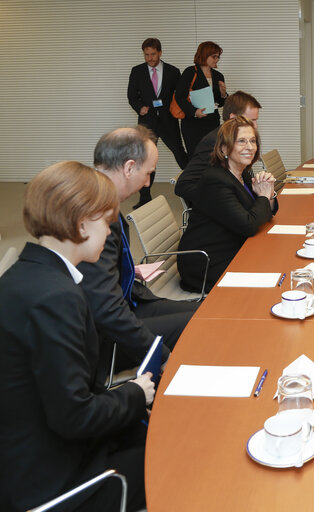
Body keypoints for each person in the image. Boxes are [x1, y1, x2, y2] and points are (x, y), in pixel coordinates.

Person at [0, 161, 154, 511]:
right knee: (178, 456)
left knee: (158, 430)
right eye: (107, 222)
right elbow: (75, 417)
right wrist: (133, 393)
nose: (110, 232)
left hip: (36, 442)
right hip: (52, 479)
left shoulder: (31, 274)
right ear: (82, 224)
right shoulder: (57, 297)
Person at [78, 126, 199, 372]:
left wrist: (126, 268)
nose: (147, 182)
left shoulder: (95, 195)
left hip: (129, 300)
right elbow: (105, 309)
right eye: (148, 174)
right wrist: (162, 356)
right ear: (129, 167)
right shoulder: (94, 212)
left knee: (206, 311)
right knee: (201, 325)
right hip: (104, 336)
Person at [178, 116, 278, 292]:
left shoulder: (243, 173)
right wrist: (262, 196)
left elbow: (264, 213)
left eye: (253, 141)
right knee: (273, 276)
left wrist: (268, 192)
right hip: (207, 263)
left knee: (277, 260)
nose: (250, 147)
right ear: (224, 148)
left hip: (235, 247)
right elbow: (248, 224)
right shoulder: (215, 180)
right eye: (241, 141)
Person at [127, 37, 188, 208]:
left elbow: (181, 95)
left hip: (169, 120)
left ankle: (197, 188)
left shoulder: (173, 71)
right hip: (147, 122)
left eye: (153, 54)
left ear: (160, 52)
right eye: (146, 55)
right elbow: (132, 95)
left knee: (180, 153)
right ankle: (144, 197)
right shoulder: (137, 71)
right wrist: (140, 108)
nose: (149, 58)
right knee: (145, 158)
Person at [175, 90, 261, 206]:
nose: (255, 126)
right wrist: (220, 198)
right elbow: (183, 185)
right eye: (251, 120)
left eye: (256, 120)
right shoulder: (214, 142)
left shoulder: (238, 140)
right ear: (233, 118)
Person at [176, 41, 227, 159]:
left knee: (214, 157)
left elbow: (219, 103)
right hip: (192, 124)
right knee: (195, 157)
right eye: (214, 56)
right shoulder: (190, 72)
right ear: (204, 55)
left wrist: (223, 94)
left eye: (218, 57)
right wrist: (194, 112)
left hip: (212, 123)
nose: (217, 59)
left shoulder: (218, 76)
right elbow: (180, 97)